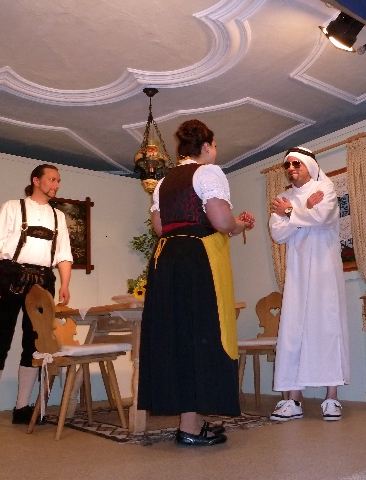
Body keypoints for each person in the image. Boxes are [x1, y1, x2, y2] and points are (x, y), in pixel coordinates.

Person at [138, 119, 255, 447]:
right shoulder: (208, 172)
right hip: (196, 258)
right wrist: (239, 225)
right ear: (205, 147)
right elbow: (220, 220)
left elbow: (160, 227)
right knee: (201, 334)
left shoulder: (164, 181)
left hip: (166, 259)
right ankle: (189, 428)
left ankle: (192, 421)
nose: (215, 151)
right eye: (214, 145)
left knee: (177, 337)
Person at [0, 164, 73, 433]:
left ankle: (22, 408)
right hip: (10, 275)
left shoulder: (58, 216)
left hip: (44, 280)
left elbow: (64, 254)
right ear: (36, 180)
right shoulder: (12, 207)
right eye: (51, 179)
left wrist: (66, 284)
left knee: (34, 344)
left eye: (58, 180)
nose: (56, 184)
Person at [268, 147, 349, 422]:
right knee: (293, 330)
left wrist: (291, 213)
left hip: (325, 269)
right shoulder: (284, 198)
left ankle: (332, 398)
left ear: (309, 166)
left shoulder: (325, 188)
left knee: (328, 326)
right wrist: (304, 210)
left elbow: (323, 218)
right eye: (287, 165)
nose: (291, 169)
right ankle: (293, 400)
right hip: (297, 271)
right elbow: (278, 233)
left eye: (296, 164)